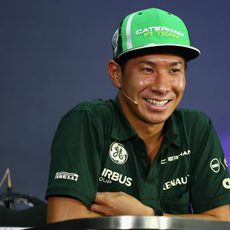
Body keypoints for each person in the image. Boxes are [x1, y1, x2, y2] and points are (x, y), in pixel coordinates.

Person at [46, 8, 230, 223]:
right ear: (116, 74)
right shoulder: (87, 121)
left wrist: (146, 216)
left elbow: (223, 221)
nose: (162, 87)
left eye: (174, 70)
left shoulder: (197, 128)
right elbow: (64, 220)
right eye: (147, 70)